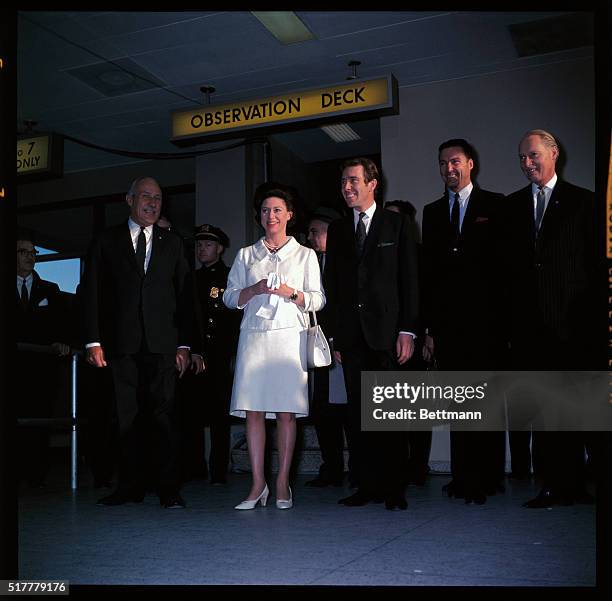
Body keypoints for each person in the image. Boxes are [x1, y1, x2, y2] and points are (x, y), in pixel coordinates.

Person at [81, 176, 202, 508]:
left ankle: (168, 488)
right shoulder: (106, 241)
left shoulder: (174, 242)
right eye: (146, 197)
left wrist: (185, 345)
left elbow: (184, 296)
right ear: (129, 199)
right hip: (121, 344)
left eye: (158, 199)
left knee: (164, 417)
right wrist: (93, 340)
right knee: (126, 417)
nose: (153, 203)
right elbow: (92, 292)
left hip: (163, 345)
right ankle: (129, 487)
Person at [504, 129, 597, 508]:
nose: (527, 163)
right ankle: (552, 484)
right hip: (530, 331)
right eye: (522, 157)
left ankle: (576, 484)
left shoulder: (583, 203)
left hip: (574, 328)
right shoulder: (511, 208)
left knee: (575, 411)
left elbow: (592, 269)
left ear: (554, 154)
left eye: (534, 155)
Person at [324, 157, 419, 511]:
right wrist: (332, 335)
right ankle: (365, 485)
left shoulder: (398, 224)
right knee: (359, 415)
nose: (347, 188)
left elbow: (410, 280)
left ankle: (394, 488)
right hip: (351, 338)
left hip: (388, 334)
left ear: (372, 183)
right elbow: (331, 284)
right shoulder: (337, 230)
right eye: (343, 182)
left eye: (353, 181)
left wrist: (409, 329)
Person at [223, 184, 325, 510]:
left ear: (289, 215)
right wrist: (252, 289)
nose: (271, 216)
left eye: (278, 210)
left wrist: (291, 293)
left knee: (285, 413)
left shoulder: (305, 254)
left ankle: (282, 482)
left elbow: (318, 298)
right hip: (254, 336)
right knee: (252, 411)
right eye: (266, 210)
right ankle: (257, 484)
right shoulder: (244, 255)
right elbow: (229, 297)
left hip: (288, 339)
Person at [421, 139, 507, 504]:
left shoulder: (496, 205)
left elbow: (506, 269)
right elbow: (429, 273)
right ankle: (461, 477)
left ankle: (486, 479)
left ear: (470, 164)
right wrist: (430, 329)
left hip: (487, 324)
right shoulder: (432, 211)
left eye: (454, 161)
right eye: (442, 163)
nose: (448, 169)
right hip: (449, 326)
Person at [180, 224, 240, 485]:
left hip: (219, 354)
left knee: (218, 416)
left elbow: (233, 319)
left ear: (220, 248)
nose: (201, 249)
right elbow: (186, 318)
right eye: (199, 245)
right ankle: (194, 467)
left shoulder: (230, 277)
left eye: (207, 245)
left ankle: (218, 471)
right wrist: (193, 349)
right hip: (193, 354)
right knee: (191, 414)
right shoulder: (189, 277)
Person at [384, 200, 432, 487]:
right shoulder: (378, 253)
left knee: (416, 409)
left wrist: (426, 333)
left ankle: (418, 467)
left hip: (414, 337)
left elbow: (426, 297)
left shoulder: (420, 254)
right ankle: (395, 468)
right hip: (383, 341)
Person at [16, 238, 71, 487]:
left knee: (40, 419)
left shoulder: (50, 289)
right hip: (14, 366)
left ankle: (36, 475)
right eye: (23, 252)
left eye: (33, 252)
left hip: (40, 369)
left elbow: (61, 324)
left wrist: (61, 341)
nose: (30, 256)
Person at [303, 207, 352, 488]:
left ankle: (357, 468)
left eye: (315, 231)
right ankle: (331, 468)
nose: (310, 237)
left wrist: (338, 340)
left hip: (341, 348)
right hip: (316, 349)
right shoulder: (308, 263)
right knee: (322, 411)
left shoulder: (347, 261)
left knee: (348, 411)